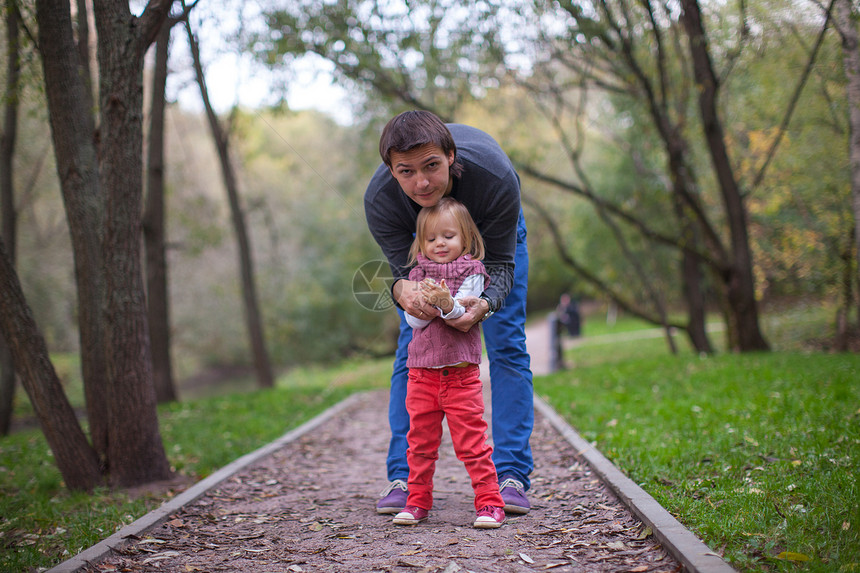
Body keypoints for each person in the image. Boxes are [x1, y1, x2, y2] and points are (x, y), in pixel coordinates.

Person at [364, 110, 533, 517]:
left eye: (431, 166)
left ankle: (510, 476)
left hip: (492, 243)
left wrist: (485, 303)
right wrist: (402, 290)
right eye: (405, 171)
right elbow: (403, 277)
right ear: (391, 170)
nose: (420, 182)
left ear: (451, 157)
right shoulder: (381, 200)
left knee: (506, 343)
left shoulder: (495, 179)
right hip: (422, 242)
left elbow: (500, 267)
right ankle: (403, 478)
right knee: (413, 349)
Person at [391, 197, 505, 529]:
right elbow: (415, 324)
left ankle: (489, 503)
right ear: (421, 243)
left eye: (449, 236)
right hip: (422, 377)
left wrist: (444, 303)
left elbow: (461, 315)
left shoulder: (473, 272)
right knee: (420, 444)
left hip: (460, 377)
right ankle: (417, 503)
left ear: (466, 238)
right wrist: (425, 303)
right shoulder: (416, 274)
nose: (440, 243)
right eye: (431, 238)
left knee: (472, 444)